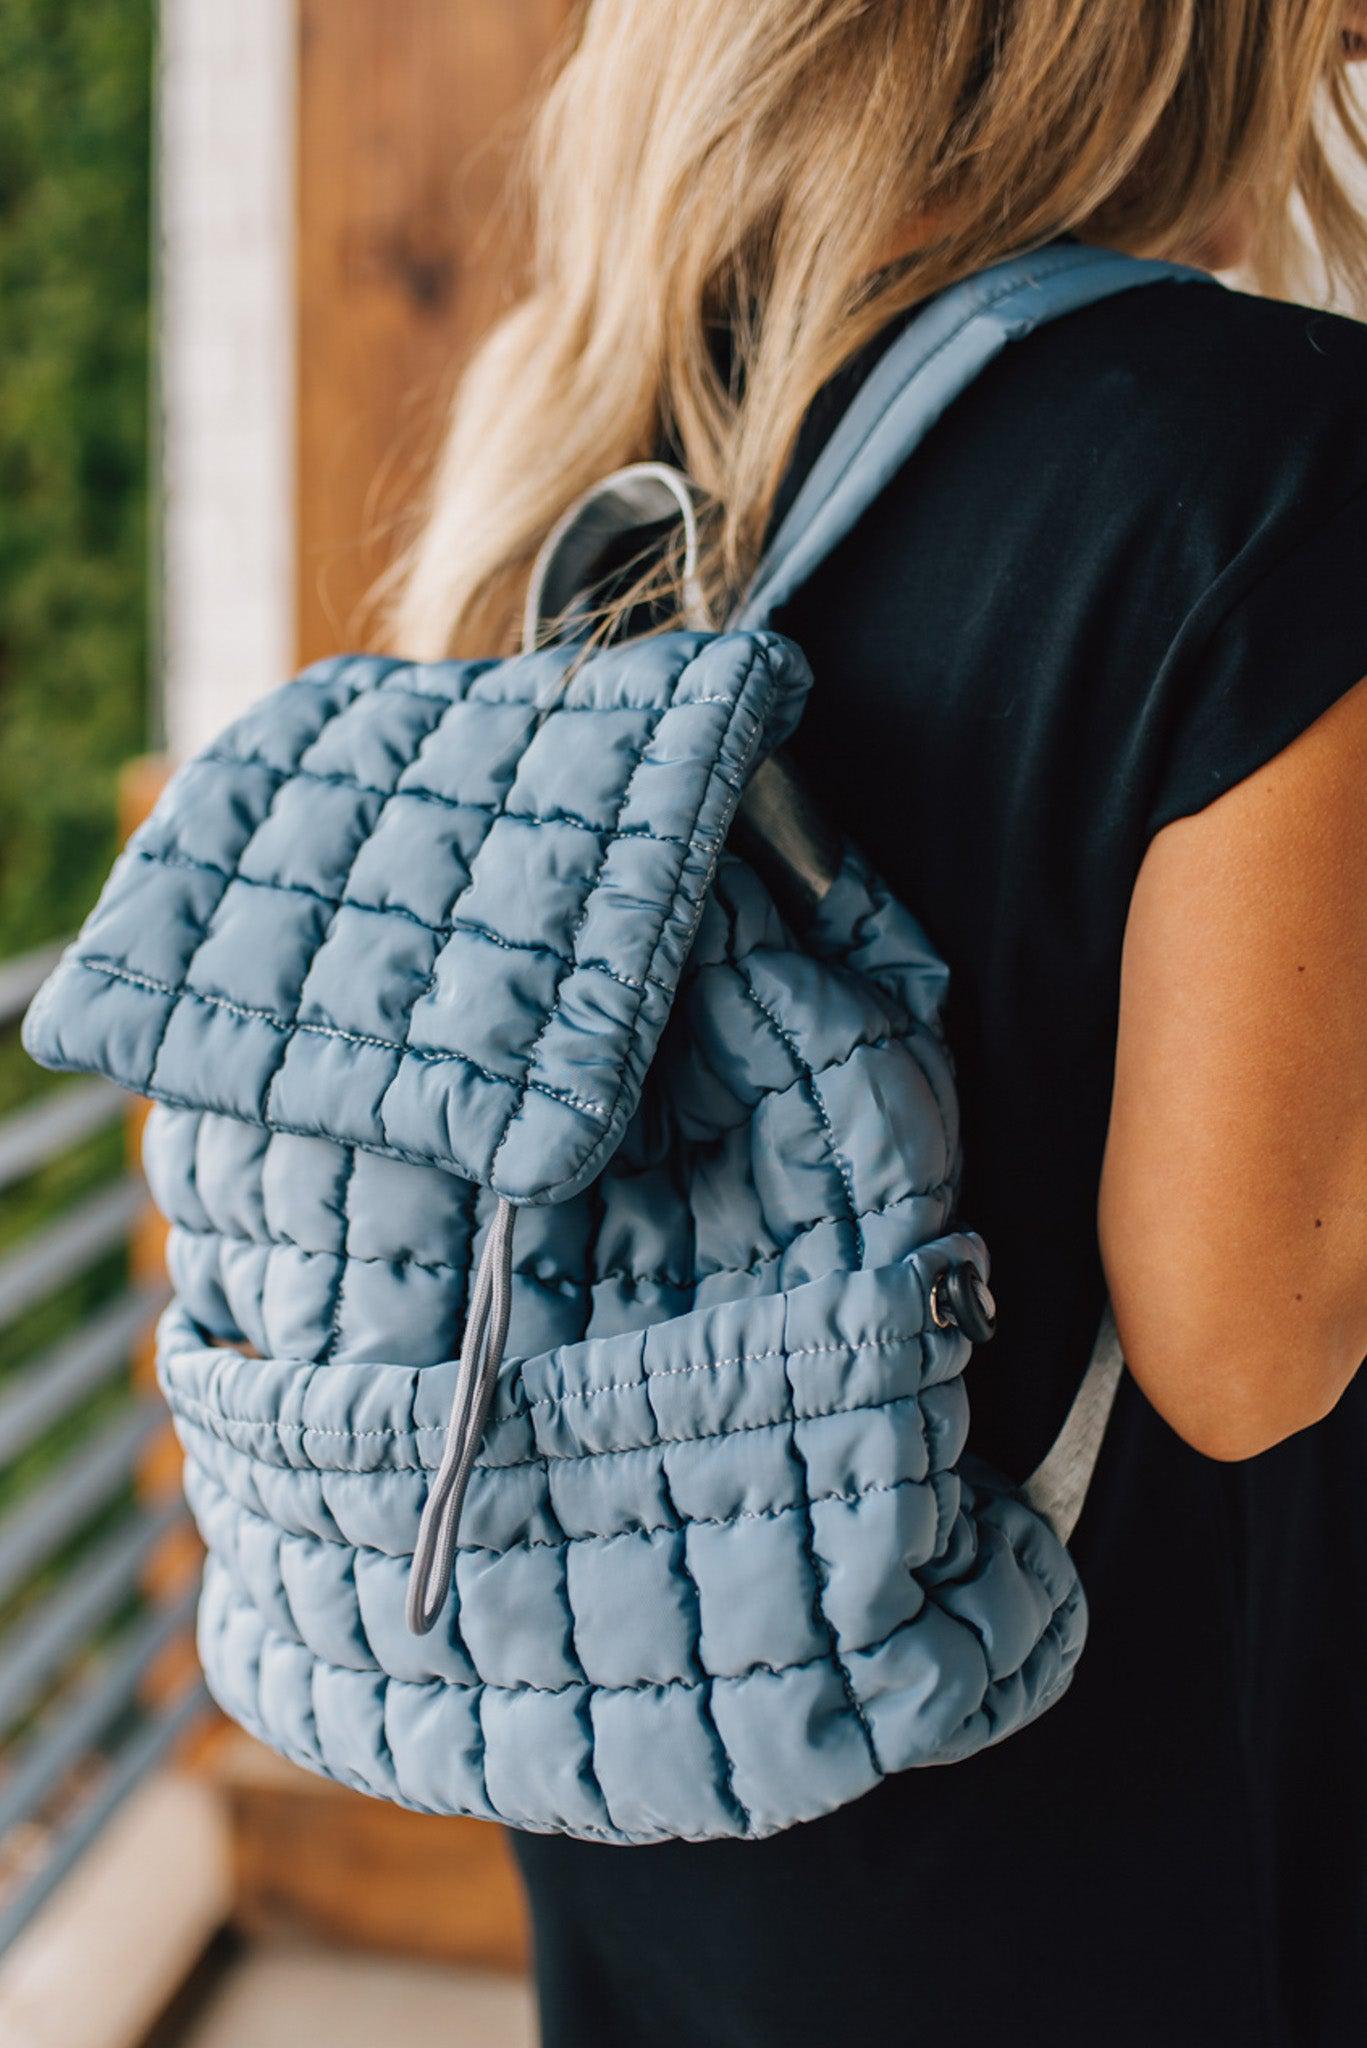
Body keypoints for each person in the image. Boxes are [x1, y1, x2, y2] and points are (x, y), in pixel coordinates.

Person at [391, 5, 1367, 2043]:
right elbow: (1250, 1336)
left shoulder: (607, 438)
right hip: (1091, 1844)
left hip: (645, 1739)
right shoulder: (1268, 454)